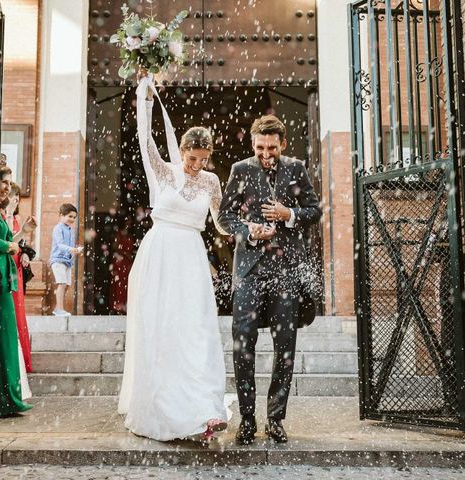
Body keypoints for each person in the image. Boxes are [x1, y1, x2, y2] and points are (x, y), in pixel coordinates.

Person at [118, 73, 227, 445]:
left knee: (195, 332)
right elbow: (145, 139)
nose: (197, 165)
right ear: (182, 151)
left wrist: (249, 229)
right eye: (192, 158)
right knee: (163, 330)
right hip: (161, 254)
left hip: (192, 259)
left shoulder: (211, 182)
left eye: (203, 159)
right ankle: (163, 407)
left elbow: (222, 223)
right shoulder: (163, 172)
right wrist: (145, 95)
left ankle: (203, 408)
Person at [218, 114, 322, 445]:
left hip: (286, 270)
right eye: (261, 147)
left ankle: (276, 418)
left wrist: (288, 215)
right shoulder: (240, 170)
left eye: (272, 148)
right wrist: (247, 230)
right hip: (248, 269)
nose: (266, 154)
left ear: (283, 144)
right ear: (252, 143)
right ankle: (247, 419)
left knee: (285, 346)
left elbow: (314, 211)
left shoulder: (297, 168)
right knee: (243, 342)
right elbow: (224, 216)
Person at [0, 166, 33, 417]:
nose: (7, 187)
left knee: (7, 337)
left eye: (8, 183)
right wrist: (10, 246)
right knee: (3, 337)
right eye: (2, 182)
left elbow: (9, 241)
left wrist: (23, 233)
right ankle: (4, 398)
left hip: (7, 277)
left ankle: (9, 397)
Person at [5, 184, 36, 372]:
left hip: (17, 266)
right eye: (12, 195)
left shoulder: (16, 218)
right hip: (6, 265)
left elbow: (20, 242)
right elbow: (8, 240)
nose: (15, 199)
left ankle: (23, 360)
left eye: (17, 196)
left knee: (19, 311)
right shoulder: (4, 216)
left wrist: (25, 253)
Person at [49, 203, 82, 317]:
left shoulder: (69, 229)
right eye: (70, 216)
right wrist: (72, 249)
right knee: (62, 284)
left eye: (74, 217)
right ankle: (59, 309)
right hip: (58, 260)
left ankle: (57, 306)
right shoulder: (58, 228)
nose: (72, 219)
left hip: (67, 262)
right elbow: (60, 245)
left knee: (66, 285)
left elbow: (70, 245)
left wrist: (75, 250)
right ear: (61, 215)